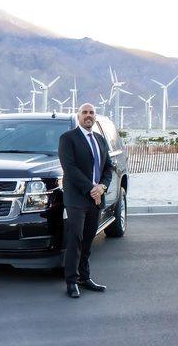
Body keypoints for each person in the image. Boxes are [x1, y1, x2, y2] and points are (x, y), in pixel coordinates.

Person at [58, 103, 112, 298]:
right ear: (78, 116)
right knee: (76, 239)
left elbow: (108, 168)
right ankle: (71, 282)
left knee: (89, 239)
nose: (88, 116)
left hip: (96, 198)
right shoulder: (68, 138)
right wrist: (91, 188)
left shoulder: (100, 139)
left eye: (91, 113)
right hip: (76, 199)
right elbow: (69, 169)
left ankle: (84, 277)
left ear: (95, 117)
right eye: (85, 113)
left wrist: (102, 187)